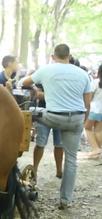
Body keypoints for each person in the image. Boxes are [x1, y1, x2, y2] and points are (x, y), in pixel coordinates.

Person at [22, 43, 92, 210]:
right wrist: (82, 122)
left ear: (53, 57)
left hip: (51, 116)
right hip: (76, 118)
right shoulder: (84, 74)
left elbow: (24, 81)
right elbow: (87, 104)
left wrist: (33, 86)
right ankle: (65, 200)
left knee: (28, 111)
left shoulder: (47, 69)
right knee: (72, 160)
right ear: (69, 56)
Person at [32, 83, 64, 181]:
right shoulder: (43, 78)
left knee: (59, 144)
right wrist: (58, 96)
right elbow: (37, 94)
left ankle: (59, 170)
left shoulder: (63, 80)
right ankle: (34, 169)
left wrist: (49, 95)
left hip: (60, 113)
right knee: (40, 143)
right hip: (44, 113)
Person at [84, 64, 102, 158]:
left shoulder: (96, 82)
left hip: (94, 109)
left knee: (87, 128)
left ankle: (96, 149)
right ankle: (96, 153)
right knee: (98, 131)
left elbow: (89, 98)